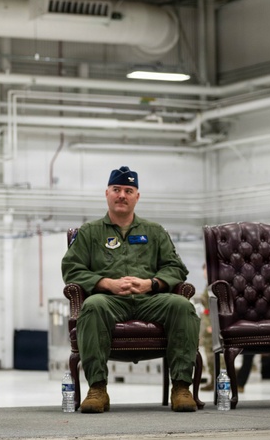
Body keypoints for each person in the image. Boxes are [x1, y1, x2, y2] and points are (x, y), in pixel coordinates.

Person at [62, 166, 200, 412]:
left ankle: (181, 388)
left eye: (128, 190)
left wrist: (151, 283)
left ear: (137, 196)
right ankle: (97, 389)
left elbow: (175, 268)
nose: (122, 195)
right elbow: (72, 269)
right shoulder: (90, 233)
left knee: (182, 306)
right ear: (107, 193)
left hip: (150, 299)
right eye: (117, 190)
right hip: (108, 301)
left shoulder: (154, 232)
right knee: (91, 306)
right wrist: (106, 283)